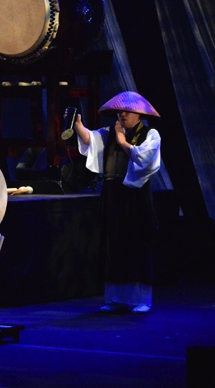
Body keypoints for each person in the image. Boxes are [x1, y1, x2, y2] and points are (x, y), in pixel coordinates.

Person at [73, 91, 161, 313]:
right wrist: (77, 124)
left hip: (135, 195)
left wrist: (122, 142)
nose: (122, 115)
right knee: (113, 244)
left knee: (136, 243)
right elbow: (89, 140)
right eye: (120, 111)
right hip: (113, 192)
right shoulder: (110, 132)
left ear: (138, 114)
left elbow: (145, 158)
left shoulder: (150, 134)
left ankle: (141, 299)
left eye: (127, 111)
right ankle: (115, 298)